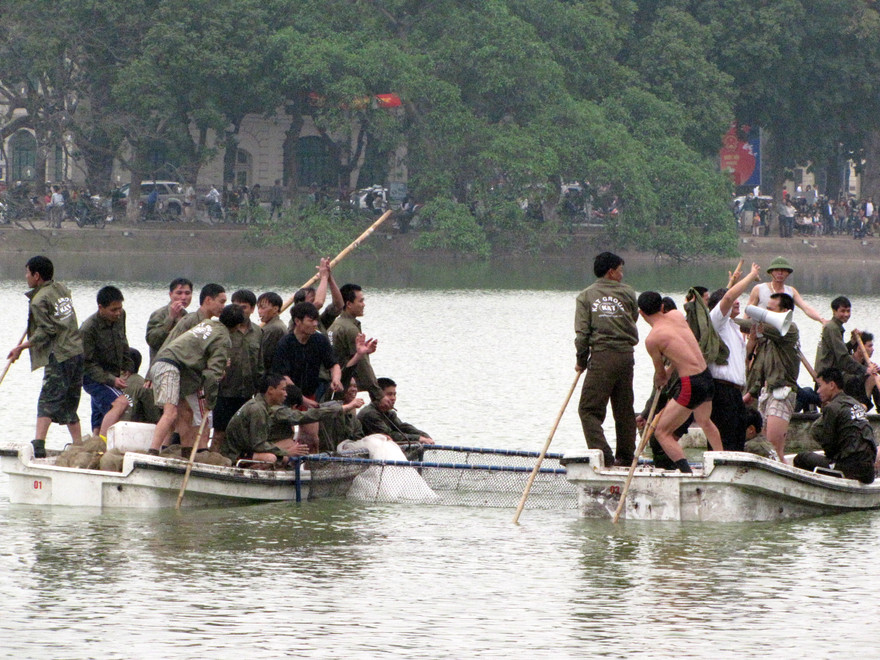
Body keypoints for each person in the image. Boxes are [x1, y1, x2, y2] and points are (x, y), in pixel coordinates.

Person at [7, 256, 84, 457]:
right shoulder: (61, 288)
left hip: (60, 355)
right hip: (77, 352)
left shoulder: (39, 300)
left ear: (37, 275)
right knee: (69, 402)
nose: (26, 277)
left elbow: (47, 331)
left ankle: (39, 444)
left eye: (27, 273)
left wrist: (22, 347)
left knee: (47, 400)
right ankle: (79, 445)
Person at [639, 291, 723, 473]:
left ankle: (687, 473)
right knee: (704, 420)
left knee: (661, 432)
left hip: (691, 384)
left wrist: (661, 378)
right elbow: (683, 352)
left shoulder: (652, 339)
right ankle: (722, 461)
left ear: (641, 313)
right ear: (662, 307)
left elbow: (660, 375)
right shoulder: (676, 315)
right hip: (706, 377)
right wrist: (670, 371)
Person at [145, 304, 244, 455]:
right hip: (170, 366)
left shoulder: (207, 323)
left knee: (186, 412)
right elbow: (213, 374)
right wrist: (211, 401)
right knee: (170, 413)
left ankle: (187, 451)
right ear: (237, 326)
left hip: (165, 363)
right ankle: (152, 451)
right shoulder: (223, 338)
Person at [574, 252, 639, 467]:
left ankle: (606, 457)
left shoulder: (586, 296)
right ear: (610, 272)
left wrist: (581, 361)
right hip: (626, 356)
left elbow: (582, 334)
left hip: (603, 356)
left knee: (588, 410)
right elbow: (633, 318)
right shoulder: (629, 293)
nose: (622, 275)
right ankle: (627, 457)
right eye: (620, 270)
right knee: (624, 410)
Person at [221, 375, 363, 465]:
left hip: (245, 448)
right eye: (282, 389)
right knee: (272, 457)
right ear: (270, 390)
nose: (285, 393)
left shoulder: (263, 405)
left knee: (289, 445)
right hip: (235, 454)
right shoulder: (258, 409)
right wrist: (286, 453)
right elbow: (259, 445)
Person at [705, 263, 762, 451]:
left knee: (737, 440)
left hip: (735, 393)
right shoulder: (716, 321)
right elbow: (729, 296)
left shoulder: (733, 327)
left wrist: (752, 342)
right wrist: (752, 275)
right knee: (724, 439)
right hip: (721, 390)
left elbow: (739, 360)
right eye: (733, 300)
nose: (737, 301)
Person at [273, 301, 342, 451]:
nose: (315, 324)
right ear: (298, 321)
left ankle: (310, 468)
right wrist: (302, 400)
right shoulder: (285, 343)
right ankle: (286, 465)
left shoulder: (320, 340)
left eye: (316, 320)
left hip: (310, 393)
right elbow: (284, 377)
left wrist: (336, 378)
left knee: (312, 438)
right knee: (286, 438)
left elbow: (333, 364)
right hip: (286, 396)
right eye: (311, 321)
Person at [793, 368, 876, 484]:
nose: (818, 391)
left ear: (832, 385)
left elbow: (829, 445)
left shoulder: (832, 408)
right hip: (868, 472)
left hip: (849, 469)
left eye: (820, 386)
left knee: (801, 458)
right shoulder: (856, 404)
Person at [744, 292, 800, 461]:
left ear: (785, 311)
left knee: (774, 448)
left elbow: (749, 326)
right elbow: (759, 369)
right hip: (767, 392)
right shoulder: (768, 339)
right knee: (764, 448)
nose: (766, 312)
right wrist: (751, 393)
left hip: (782, 392)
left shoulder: (790, 329)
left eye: (770, 309)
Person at [80, 285, 135, 438]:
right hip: (92, 376)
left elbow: (123, 340)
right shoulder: (88, 329)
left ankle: (97, 437)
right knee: (122, 403)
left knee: (101, 411)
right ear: (101, 308)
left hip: (113, 372)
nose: (118, 313)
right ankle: (102, 444)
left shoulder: (121, 316)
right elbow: (86, 363)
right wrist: (111, 380)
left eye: (120, 308)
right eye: (113, 310)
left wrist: (128, 365)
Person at [212, 290, 264, 449]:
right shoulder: (222, 330)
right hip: (224, 391)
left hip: (247, 394)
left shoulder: (258, 332)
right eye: (236, 307)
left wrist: (260, 389)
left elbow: (260, 364)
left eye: (244, 307)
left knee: (243, 434)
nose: (240, 311)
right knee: (219, 432)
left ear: (253, 309)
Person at [328, 283, 388, 407]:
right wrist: (378, 395)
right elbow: (363, 364)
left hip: (330, 385)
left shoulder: (335, 324)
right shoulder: (350, 329)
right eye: (360, 301)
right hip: (342, 387)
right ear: (349, 304)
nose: (363, 304)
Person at [746, 257, 826, 324]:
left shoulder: (791, 291)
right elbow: (748, 311)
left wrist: (821, 319)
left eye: (783, 270)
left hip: (782, 333)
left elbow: (806, 307)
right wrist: (743, 332)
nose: (780, 273)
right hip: (761, 332)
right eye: (777, 270)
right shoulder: (759, 289)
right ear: (771, 272)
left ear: (788, 273)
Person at [358, 377, 434, 445]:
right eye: (389, 394)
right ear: (378, 395)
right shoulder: (370, 414)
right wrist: (418, 438)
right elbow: (389, 435)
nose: (393, 398)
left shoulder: (389, 413)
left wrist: (424, 436)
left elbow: (403, 427)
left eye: (394, 394)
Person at [288, 257, 344, 334]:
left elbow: (338, 306)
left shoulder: (317, 321)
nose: (315, 301)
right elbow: (319, 303)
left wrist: (329, 277)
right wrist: (324, 277)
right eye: (312, 300)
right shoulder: (296, 321)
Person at [161, 283, 226, 347]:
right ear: (208, 300)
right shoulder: (191, 321)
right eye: (221, 302)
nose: (223, 307)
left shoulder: (205, 323)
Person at [814, 296, 867, 377]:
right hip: (828, 377)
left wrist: (852, 341)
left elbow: (838, 350)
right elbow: (842, 357)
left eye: (848, 311)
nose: (846, 314)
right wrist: (865, 370)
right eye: (842, 311)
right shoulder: (832, 328)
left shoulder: (835, 327)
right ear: (834, 311)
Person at [145, 277, 193, 363]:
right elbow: (152, 341)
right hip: (161, 364)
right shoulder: (159, 314)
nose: (183, 297)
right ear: (171, 295)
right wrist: (170, 319)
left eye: (187, 293)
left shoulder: (188, 317)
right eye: (179, 293)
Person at [318, 377, 365, 451]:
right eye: (349, 386)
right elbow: (324, 412)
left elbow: (359, 439)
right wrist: (350, 406)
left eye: (355, 386)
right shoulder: (326, 407)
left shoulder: (353, 419)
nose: (354, 389)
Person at [119, 348, 162, 424]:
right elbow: (154, 417)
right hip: (137, 430)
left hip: (111, 430)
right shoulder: (144, 385)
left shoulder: (110, 383)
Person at [257, 291, 286, 373]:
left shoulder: (273, 329)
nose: (259, 311)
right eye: (258, 308)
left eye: (263, 308)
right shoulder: (277, 324)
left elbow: (263, 356)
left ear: (275, 309)